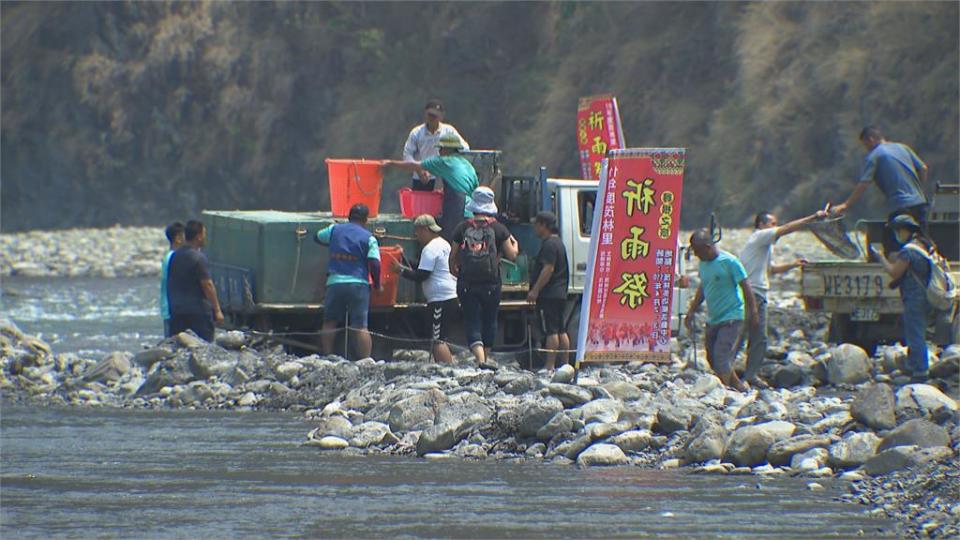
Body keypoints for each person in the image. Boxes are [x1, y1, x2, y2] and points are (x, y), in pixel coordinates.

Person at [738, 209, 826, 385]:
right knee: (746, 335)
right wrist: (812, 217)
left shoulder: (763, 245)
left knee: (756, 336)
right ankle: (732, 373)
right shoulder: (760, 236)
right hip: (753, 293)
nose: (775, 227)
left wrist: (793, 264)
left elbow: (772, 269)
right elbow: (786, 229)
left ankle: (748, 374)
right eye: (772, 224)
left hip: (758, 293)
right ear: (762, 225)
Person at [830, 126, 929, 254]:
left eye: (865, 145)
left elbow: (864, 183)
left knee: (890, 243)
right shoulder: (903, 148)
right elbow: (923, 168)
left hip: (901, 205)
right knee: (923, 239)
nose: (866, 149)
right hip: (920, 202)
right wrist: (919, 189)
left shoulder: (874, 156)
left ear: (871, 139)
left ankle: (894, 270)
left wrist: (846, 204)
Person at [449, 187, 519, 367]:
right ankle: (485, 360)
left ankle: (480, 360)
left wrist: (456, 271)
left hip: (467, 282)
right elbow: (511, 255)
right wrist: (515, 245)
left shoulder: (463, 227)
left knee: (471, 319)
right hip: (491, 283)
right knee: (490, 319)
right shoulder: (499, 228)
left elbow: (453, 256)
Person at [684, 229, 759, 391]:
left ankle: (723, 392)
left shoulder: (730, 262)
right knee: (712, 358)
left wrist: (752, 312)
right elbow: (704, 287)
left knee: (721, 356)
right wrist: (692, 310)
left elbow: (746, 287)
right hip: (714, 317)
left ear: (708, 247)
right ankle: (739, 387)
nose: (696, 255)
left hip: (732, 316)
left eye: (698, 251)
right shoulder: (703, 264)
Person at [871, 215, 935, 382]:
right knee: (917, 331)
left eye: (898, 231)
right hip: (925, 296)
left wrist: (881, 258)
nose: (896, 235)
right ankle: (914, 365)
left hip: (914, 298)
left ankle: (920, 371)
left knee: (915, 334)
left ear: (906, 230)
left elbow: (894, 272)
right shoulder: (924, 246)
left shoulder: (909, 251)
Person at [314, 203, 380, 360]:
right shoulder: (369, 238)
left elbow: (317, 237)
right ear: (366, 220)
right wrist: (377, 284)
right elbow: (375, 263)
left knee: (330, 321)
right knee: (360, 326)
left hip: (335, 282)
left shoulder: (334, 230)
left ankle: (328, 356)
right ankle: (366, 360)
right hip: (358, 284)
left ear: (348, 217)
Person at [383, 134, 479, 241]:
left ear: (447, 149)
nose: (439, 152)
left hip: (457, 214)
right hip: (471, 214)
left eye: (441, 148)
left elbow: (414, 165)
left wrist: (391, 163)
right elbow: (471, 189)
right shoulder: (467, 165)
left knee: (449, 245)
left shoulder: (444, 161)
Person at [393, 214, 459, 364]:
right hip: (448, 296)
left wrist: (400, 270)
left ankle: (446, 369)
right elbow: (421, 266)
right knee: (439, 337)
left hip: (440, 299)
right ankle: (444, 367)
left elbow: (421, 275)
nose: (417, 236)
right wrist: (402, 258)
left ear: (425, 230)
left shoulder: (430, 248)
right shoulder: (443, 244)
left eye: (417, 232)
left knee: (437, 339)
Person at [526, 211, 570, 371]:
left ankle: (549, 365)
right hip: (560, 293)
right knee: (561, 329)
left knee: (551, 330)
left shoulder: (549, 245)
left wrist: (535, 290)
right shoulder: (559, 243)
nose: (535, 228)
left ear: (544, 226)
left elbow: (548, 269)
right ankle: (565, 364)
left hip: (549, 294)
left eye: (536, 224)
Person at [167, 220, 224, 342]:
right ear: (198, 237)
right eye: (204, 234)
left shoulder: (174, 256)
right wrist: (217, 310)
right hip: (198, 312)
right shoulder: (199, 258)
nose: (205, 238)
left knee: (178, 347)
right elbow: (207, 285)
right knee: (204, 347)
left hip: (177, 311)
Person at [401, 99, 470, 191]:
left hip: (444, 177)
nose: (432, 118)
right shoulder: (417, 133)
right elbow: (407, 154)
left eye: (435, 115)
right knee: (422, 204)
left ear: (441, 116)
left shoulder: (448, 131)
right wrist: (418, 169)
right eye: (430, 115)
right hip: (422, 178)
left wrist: (451, 165)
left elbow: (465, 149)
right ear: (425, 114)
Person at [160, 222, 185, 338]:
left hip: (169, 308)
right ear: (178, 239)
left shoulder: (169, 256)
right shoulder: (174, 257)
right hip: (172, 309)